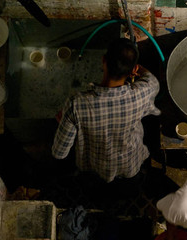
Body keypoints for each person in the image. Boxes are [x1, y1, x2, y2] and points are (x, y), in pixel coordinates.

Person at [52, 38, 160, 183]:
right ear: (133, 70)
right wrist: (138, 69)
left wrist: (64, 121)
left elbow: (59, 153)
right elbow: (152, 80)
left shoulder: (76, 104)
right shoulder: (142, 93)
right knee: (130, 184)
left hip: (93, 168)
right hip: (130, 165)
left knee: (94, 184)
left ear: (103, 60)